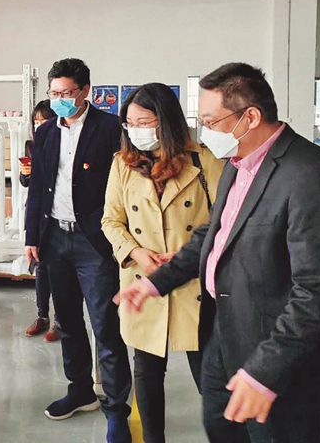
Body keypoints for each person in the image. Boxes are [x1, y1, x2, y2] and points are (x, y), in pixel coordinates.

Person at [117, 63, 320, 443]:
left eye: (211, 122)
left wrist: (265, 371)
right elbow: (214, 235)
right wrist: (156, 283)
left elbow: (318, 291)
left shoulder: (310, 175)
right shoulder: (239, 164)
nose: (205, 133)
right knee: (222, 429)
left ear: (250, 117)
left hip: (279, 355)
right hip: (225, 334)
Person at [102, 83, 223, 443]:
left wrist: (186, 257)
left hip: (192, 281)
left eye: (144, 122)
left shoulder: (204, 161)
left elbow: (224, 223)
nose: (136, 131)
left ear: (166, 121)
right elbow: (111, 220)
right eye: (130, 124)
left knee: (210, 377)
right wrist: (135, 252)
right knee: (147, 372)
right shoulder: (123, 164)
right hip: (143, 280)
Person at [25, 58, 132, 443]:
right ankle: (81, 390)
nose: (59, 100)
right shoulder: (46, 133)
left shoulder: (109, 129)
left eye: (66, 93)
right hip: (55, 239)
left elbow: (125, 185)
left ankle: (117, 410)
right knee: (68, 322)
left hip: (94, 242)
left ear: (86, 91)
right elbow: (38, 187)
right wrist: (32, 236)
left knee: (105, 326)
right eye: (54, 93)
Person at [21, 100, 62, 342]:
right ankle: (42, 315)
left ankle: (60, 321)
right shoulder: (32, 146)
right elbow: (29, 184)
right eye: (36, 121)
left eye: (44, 120)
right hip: (37, 216)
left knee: (59, 272)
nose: (39, 125)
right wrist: (25, 174)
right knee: (41, 268)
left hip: (56, 215)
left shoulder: (63, 145)